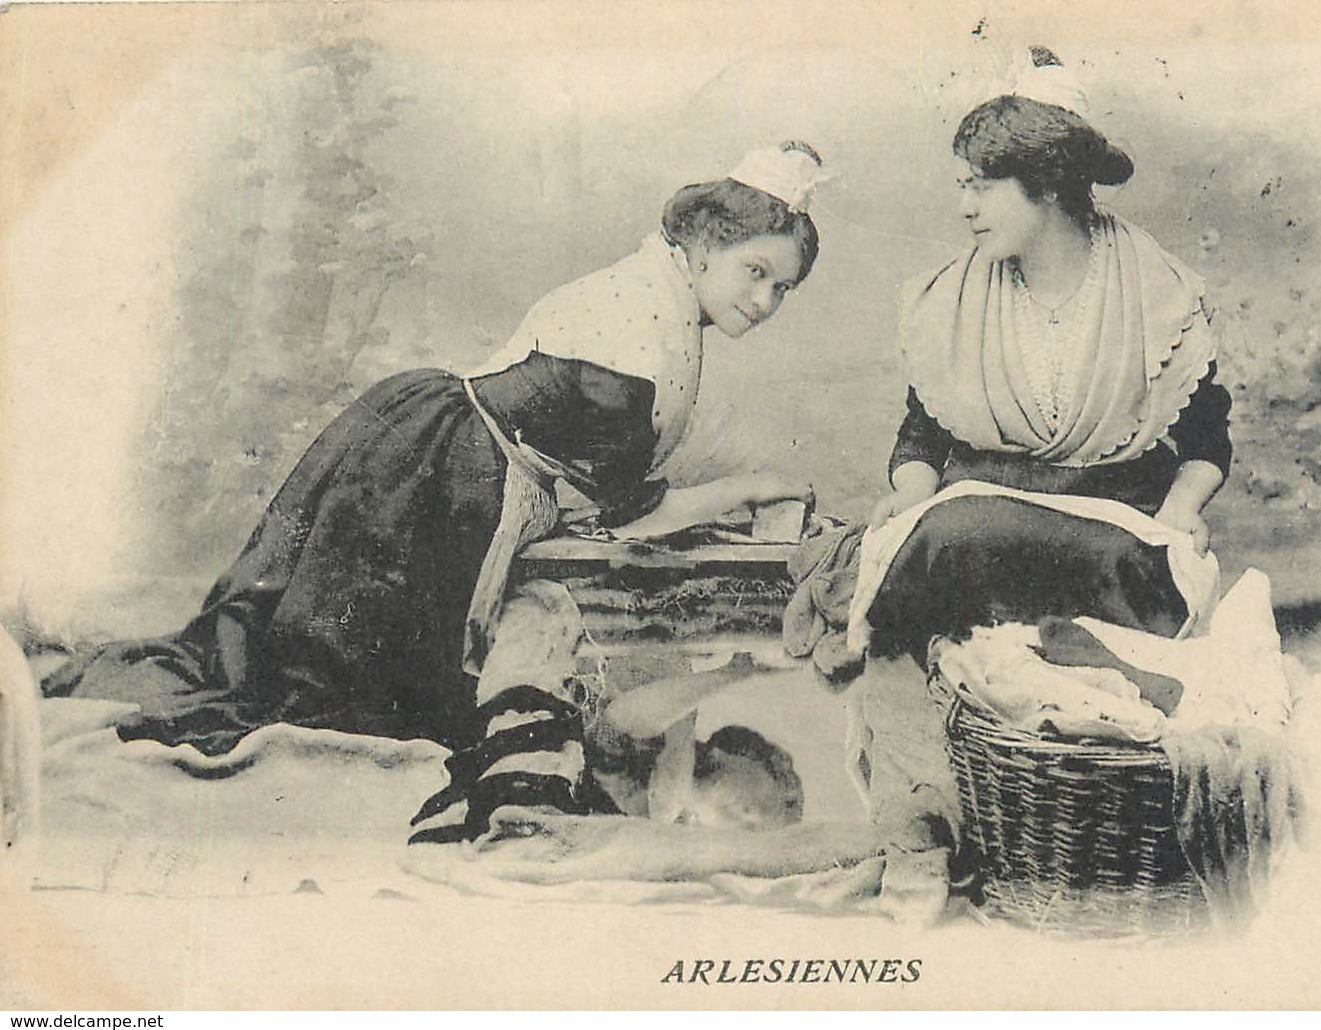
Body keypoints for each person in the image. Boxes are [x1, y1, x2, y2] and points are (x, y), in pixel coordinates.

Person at [43, 142, 829, 843]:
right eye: (753, 273)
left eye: (781, 288)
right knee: (328, 687)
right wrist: (755, 488)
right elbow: (636, 510)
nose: (763, 302)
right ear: (698, 247)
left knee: (344, 668)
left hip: (438, 444)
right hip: (438, 470)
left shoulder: (655, 290)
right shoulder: (636, 341)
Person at [849, 48, 1234, 861]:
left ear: (1049, 184)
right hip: (971, 535)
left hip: (1109, 534)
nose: (964, 208)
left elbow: (1203, 438)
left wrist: (1178, 514)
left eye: (979, 185)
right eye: (962, 185)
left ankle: (1066, 832)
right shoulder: (951, 296)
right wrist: (910, 490)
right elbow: (922, 433)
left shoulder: (1155, 289)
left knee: (1100, 602)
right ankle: (930, 826)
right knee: (941, 549)